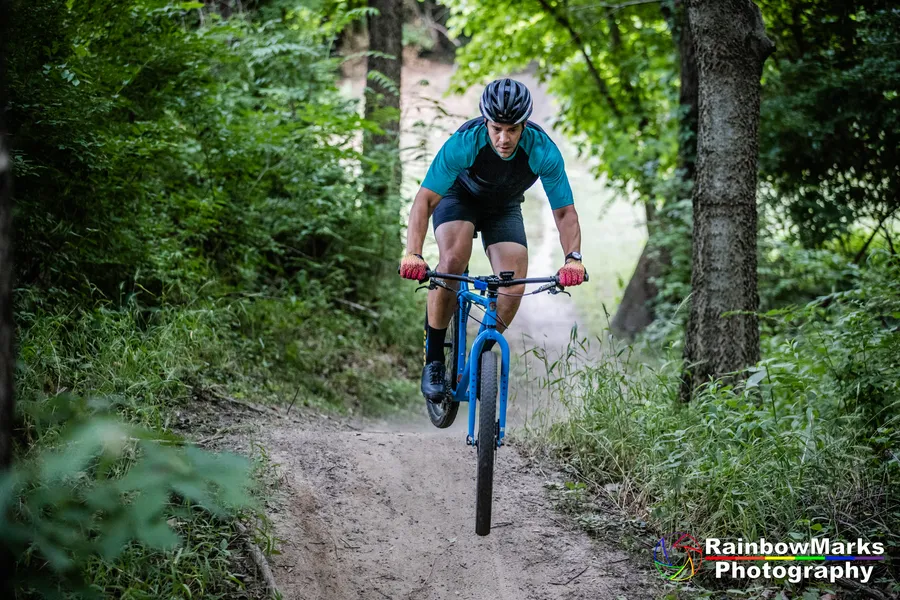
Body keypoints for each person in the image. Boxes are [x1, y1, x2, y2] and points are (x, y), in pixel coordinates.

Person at [399, 78, 586, 402]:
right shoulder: (465, 142)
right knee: (453, 261)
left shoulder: (542, 150)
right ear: (486, 122)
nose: (503, 138)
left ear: (524, 125)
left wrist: (573, 259)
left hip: (504, 206)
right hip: (459, 198)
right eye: (497, 128)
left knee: (514, 283)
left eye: (512, 130)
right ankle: (433, 362)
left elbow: (565, 213)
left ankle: (482, 351)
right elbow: (425, 201)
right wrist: (413, 253)